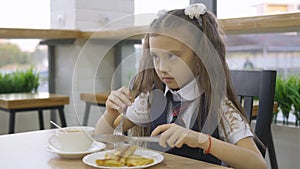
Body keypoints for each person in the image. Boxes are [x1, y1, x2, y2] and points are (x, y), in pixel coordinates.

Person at [95, 3, 267, 169]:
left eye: (172, 56)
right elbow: (103, 139)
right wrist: (110, 114)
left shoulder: (218, 106)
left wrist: (201, 140)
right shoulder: (152, 98)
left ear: (199, 57)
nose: (161, 68)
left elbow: (257, 164)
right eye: (156, 57)